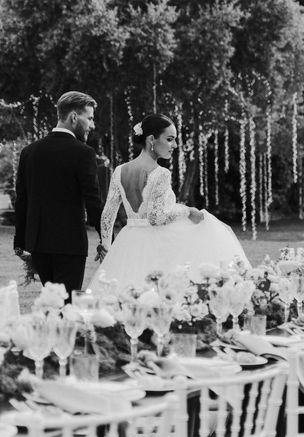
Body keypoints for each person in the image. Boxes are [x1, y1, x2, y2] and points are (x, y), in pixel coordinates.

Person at [88, 114, 249, 292]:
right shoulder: (160, 173)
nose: (175, 145)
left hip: (127, 240)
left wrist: (107, 248)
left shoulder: (119, 171)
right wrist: (188, 211)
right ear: (151, 139)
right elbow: (156, 217)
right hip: (153, 243)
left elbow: (107, 215)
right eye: (170, 139)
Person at [13, 91, 103, 300]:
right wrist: (107, 238)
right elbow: (93, 200)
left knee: (51, 305)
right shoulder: (83, 153)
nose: (92, 125)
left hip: (39, 244)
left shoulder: (30, 152)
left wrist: (20, 241)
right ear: (73, 117)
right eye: (89, 118)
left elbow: (22, 200)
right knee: (68, 305)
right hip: (70, 244)